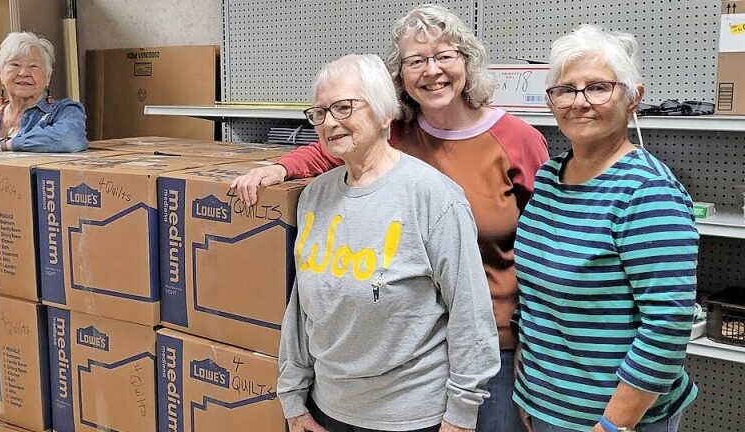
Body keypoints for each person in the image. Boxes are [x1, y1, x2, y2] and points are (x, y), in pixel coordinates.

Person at [233, 5, 549, 431]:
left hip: (497, 340)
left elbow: (544, 254)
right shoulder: (395, 133)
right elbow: (333, 141)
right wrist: (281, 168)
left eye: (444, 56)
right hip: (376, 369)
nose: (431, 70)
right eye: (415, 61)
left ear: (468, 61)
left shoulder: (516, 141)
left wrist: (536, 355)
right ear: (398, 81)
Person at [278, 54, 500, 432]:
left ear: (384, 114)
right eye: (320, 112)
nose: (330, 122)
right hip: (326, 411)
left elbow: (471, 314)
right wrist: (293, 401)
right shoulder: (314, 196)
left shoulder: (433, 197)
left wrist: (461, 415)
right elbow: (302, 308)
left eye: (344, 108)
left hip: (412, 418)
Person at [512, 24, 698, 432]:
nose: (579, 102)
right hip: (547, 406)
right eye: (565, 89)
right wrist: (530, 394)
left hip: (614, 420)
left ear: (633, 98)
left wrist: (614, 425)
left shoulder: (647, 192)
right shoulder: (548, 176)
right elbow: (536, 301)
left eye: (598, 87)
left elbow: (667, 324)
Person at [0, 31, 88, 152]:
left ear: (48, 77)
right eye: (15, 64)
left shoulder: (64, 112)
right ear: (1, 75)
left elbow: (71, 139)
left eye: (33, 66)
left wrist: (10, 144)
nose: (24, 73)